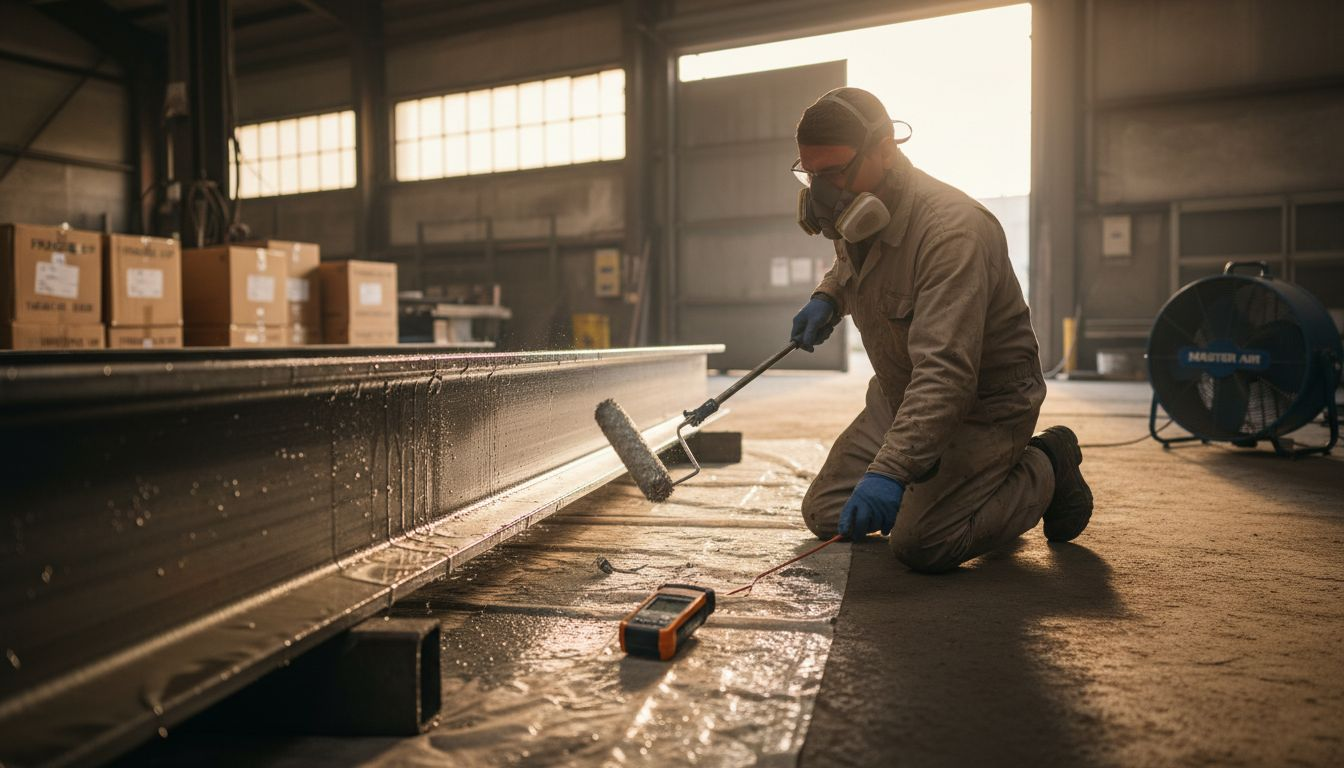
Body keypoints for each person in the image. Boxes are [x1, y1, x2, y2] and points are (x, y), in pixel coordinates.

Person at [789, 87, 1092, 573]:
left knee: (923, 544)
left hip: (983, 406)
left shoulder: (952, 232)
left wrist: (891, 470)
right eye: (811, 174)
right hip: (900, 395)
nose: (823, 193)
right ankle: (938, 480)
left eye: (834, 173)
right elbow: (854, 266)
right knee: (826, 514)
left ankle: (1046, 465)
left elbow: (947, 374)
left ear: (885, 149)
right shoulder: (859, 212)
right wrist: (829, 297)